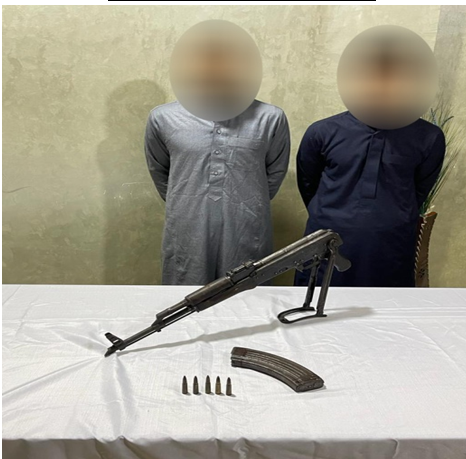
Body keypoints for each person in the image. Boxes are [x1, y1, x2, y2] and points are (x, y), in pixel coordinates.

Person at [295, 26, 445, 287]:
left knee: (386, 306)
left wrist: (390, 215)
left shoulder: (428, 137)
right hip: (327, 240)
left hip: (392, 244)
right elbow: (308, 184)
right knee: (316, 304)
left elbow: (418, 191)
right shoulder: (322, 131)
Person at [145, 20, 290, 285]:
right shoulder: (163, 118)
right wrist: (189, 201)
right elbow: (161, 172)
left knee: (247, 297)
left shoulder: (270, 118)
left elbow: (273, 173)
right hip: (188, 228)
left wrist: (245, 202)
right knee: (187, 295)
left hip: (246, 229)